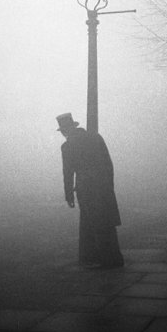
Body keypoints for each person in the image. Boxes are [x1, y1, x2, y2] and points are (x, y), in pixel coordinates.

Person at [56, 113, 124, 269]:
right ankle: (116, 258)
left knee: (95, 225)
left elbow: (68, 173)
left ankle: (107, 261)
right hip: (103, 186)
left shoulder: (67, 147)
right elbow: (108, 163)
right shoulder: (96, 138)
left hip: (86, 189)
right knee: (108, 223)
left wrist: (69, 195)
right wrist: (109, 184)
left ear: (65, 130)